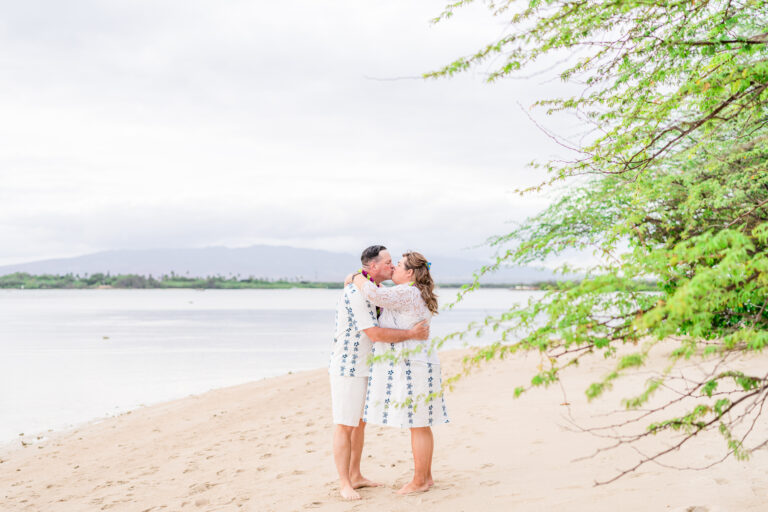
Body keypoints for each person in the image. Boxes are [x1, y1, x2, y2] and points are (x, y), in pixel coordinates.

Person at [329, 245, 430, 500]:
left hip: (370, 366)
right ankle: (345, 483)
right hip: (348, 366)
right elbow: (373, 334)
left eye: (395, 263)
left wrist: (354, 276)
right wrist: (411, 334)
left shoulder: (380, 292)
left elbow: (379, 298)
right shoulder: (356, 292)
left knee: (359, 424)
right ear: (372, 267)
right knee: (344, 424)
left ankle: (356, 475)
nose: (392, 266)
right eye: (387, 262)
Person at [349, 251, 449, 495]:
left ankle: (420, 481)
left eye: (399, 266)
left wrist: (355, 277)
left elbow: (374, 294)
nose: (393, 268)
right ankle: (426, 476)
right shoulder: (414, 292)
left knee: (418, 424)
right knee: (421, 424)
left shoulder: (407, 292)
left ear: (410, 273)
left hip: (413, 365)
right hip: (419, 362)